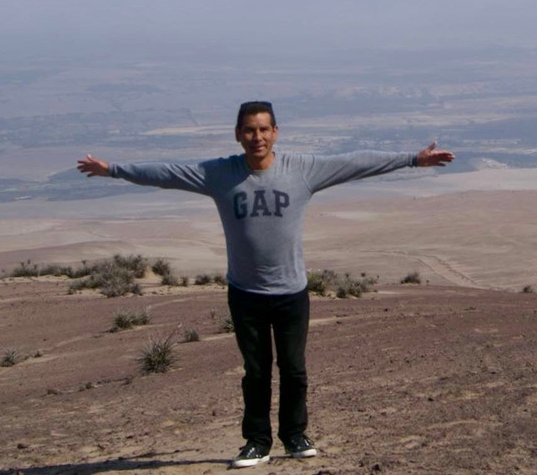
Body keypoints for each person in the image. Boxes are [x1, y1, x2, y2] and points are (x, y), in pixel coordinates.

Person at [76, 100, 454, 468]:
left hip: (291, 292)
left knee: (294, 369)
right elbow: (167, 173)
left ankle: (295, 435)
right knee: (256, 372)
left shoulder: (301, 169)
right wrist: (113, 170)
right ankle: (256, 442)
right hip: (245, 295)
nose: (257, 137)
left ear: (275, 132)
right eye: (249, 130)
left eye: (263, 129)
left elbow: (355, 162)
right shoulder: (219, 174)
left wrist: (413, 159)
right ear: (238, 135)